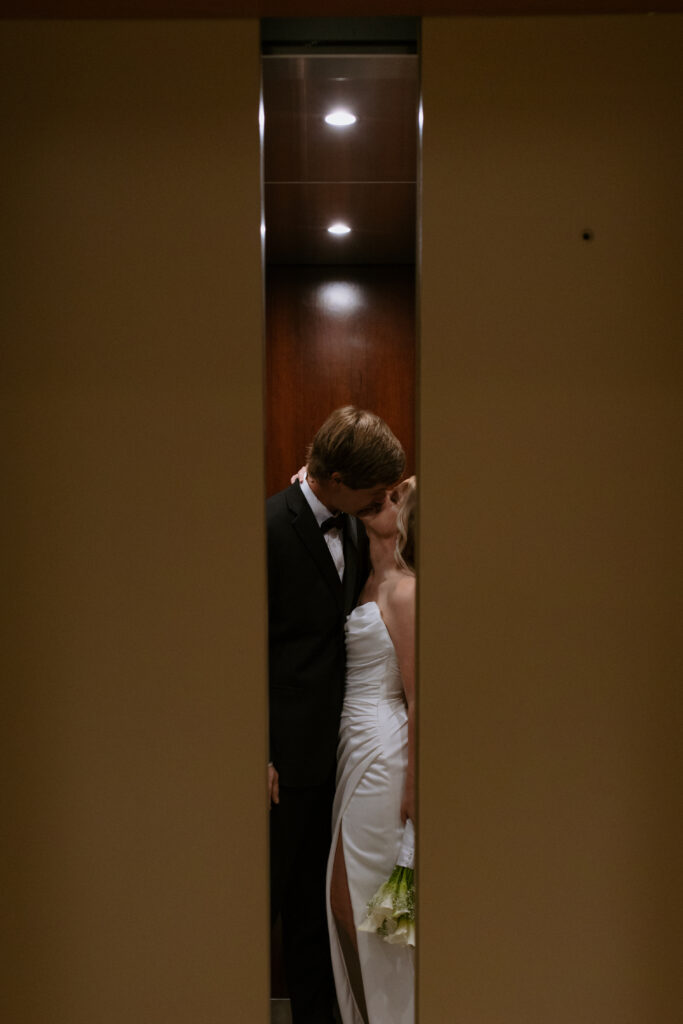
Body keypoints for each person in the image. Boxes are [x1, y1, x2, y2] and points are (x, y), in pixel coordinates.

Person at [267, 407, 405, 1024]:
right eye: (373, 490)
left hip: (348, 748)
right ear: (339, 477)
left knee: (326, 905)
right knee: (286, 899)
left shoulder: (357, 524)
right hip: (285, 759)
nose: (382, 499)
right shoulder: (267, 525)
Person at [326, 476, 417, 1024]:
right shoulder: (363, 581)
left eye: (397, 496)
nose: (384, 499)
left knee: (363, 907)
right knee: (343, 901)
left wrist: (414, 786)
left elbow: (420, 695)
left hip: (385, 755)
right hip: (351, 745)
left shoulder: (404, 590)